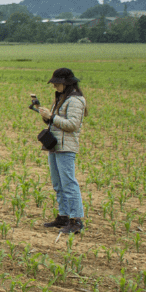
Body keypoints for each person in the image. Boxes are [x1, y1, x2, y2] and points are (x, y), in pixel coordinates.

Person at [38, 68, 87, 235]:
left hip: (66, 147)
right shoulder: (62, 98)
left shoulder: (75, 101)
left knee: (69, 183)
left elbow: (72, 125)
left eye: (57, 83)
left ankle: (76, 220)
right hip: (55, 145)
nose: (55, 86)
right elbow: (57, 121)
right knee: (58, 184)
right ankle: (63, 216)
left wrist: (52, 117)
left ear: (66, 83)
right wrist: (46, 115)